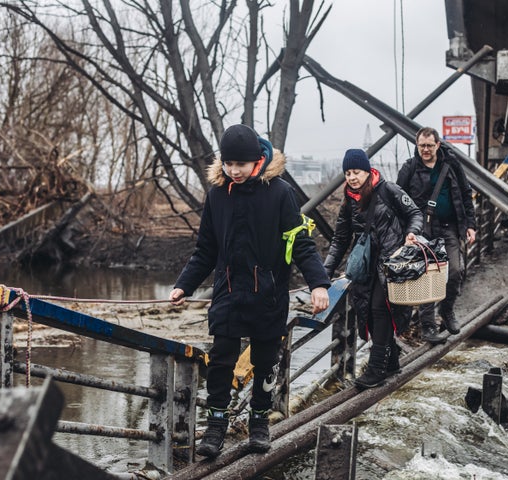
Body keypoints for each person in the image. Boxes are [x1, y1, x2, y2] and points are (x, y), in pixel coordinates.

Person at [169, 124, 330, 459]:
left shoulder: (280, 193)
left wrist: (318, 284)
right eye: (228, 164)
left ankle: (259, 422)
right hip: (228, 291)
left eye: (240, 164)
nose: (233, 171)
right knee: (220, 360)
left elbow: (301, 244)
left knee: (265, 362)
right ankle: (215, 427)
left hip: (268, 294)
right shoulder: (216, 195)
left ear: (257, 160)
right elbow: (205, 250)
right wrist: (184, 284)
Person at [324, 149, 423, 389]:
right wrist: (323, 273)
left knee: (381, 308)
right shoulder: (348, 201)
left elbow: (415, 213)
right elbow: (340, 240)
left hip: (391, 262)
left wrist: (413, 233)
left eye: (356, 172)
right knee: (367, 311)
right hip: (367, 267)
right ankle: (391, 361)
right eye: (347, 173)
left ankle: (376, 368)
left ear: (367, 171)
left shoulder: (389, 190)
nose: (352, 177)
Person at [396, 127, 477, 344]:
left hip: (450, 226)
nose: (425, 150)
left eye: (429, 145)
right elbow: (397, 199)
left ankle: (447, 310)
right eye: (421, 145)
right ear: (417, 144)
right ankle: (428, 326)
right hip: (423, 230)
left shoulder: (450, 165)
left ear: (437, 145)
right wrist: (405, 231)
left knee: (455, 270)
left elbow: (465, 193)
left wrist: (471, 224)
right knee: (428, 277)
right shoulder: (410, 168)